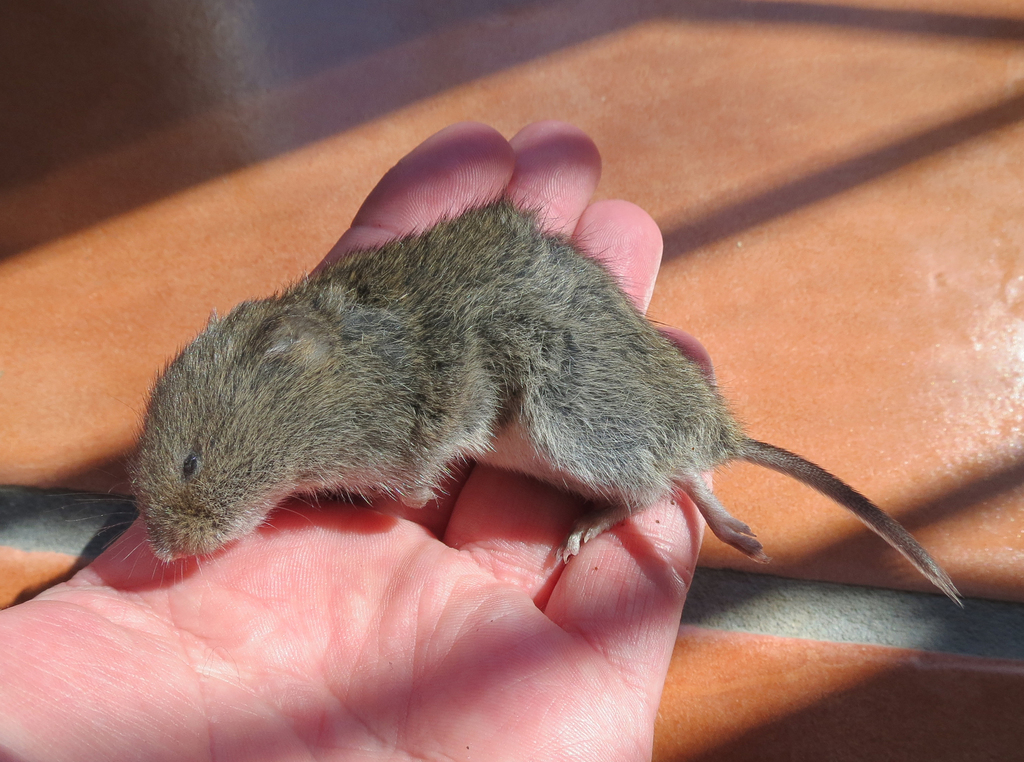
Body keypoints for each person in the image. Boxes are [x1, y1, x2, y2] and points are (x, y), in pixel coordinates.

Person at [0, 121, 711, 761]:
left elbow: (427, 409)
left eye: (190, 468)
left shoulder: (314, 388)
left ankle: (656, 454)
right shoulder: (309, 401)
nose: (163, 540)